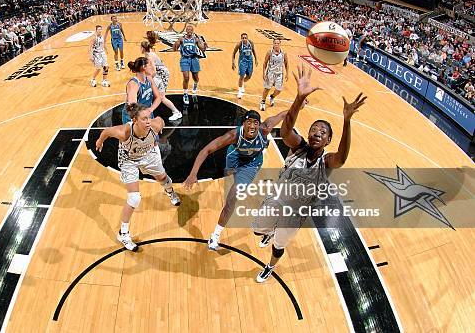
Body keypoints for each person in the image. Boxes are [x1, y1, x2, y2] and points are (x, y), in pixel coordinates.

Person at [252, 64, 366, 283]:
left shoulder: (327, 162)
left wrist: (347, 120)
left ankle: (270, 266)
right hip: (277, 199)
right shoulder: (298, 147)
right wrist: (298, 97)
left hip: (296, 213)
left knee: (278, 246)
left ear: (328, 140)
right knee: (257, 231)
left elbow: (341, 158)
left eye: (323, 132)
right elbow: (285, 130)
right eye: (314, 129)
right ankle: (268, 231)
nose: (317, 133)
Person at [184, 108, 293, 251]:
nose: (252, 126)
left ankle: (215, 235)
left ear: (259, 125)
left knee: (233, 197)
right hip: (234, 157)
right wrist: (193, 173)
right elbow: (206, 150)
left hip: (252, 164)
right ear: (243, 124)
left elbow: (283, 114)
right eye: (249, 122)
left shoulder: (265, 129)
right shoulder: (233, 135)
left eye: (255, 123)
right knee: (230, 177)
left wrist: (299, 101)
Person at [95, 103, 181, 251]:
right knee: (134, 198)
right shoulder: (124, 132)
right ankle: (123, 233)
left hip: (149, 155)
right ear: (135, 120)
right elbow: (107, 131)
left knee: (164, 179)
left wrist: (154, 140)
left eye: (149, 117)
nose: (148, 121)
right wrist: (99, 141)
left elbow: (160, 119)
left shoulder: (155, 126)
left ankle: (170, 192)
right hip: (129, 160)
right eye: (144, 119)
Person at [141, 31, 182, 121]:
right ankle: (148, 112)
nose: (140, 49)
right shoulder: (148, 53)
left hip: (161, 75)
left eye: (141, 47)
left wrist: (149, 78)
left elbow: (154, 71)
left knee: (161, 97)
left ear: (143, 48)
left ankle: (176, 112)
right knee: (154, 94)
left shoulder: (149, 56)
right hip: (160, 74)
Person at [173, 24, 207, 106]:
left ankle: (195, 85)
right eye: (187, 29)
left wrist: (205, 46)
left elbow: (202, 49)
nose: (189, 31)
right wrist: (176, 43)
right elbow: (174, 49)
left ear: (192, 31)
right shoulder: (181, 39)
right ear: (186, 30)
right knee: (186, 77)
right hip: (184, 59)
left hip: (194, 59)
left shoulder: (195, 39)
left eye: (190, 30)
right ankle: (185, 94)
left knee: (195, 77)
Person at [121, 56, 162, 124]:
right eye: (150, 65)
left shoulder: (149, 79)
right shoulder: (134, 84)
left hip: (146, 113)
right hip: (133, 116)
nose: (152, 68)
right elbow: (132, 107)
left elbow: (158, 97)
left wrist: (150, 109)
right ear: (144, 67)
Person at [261, 39, 288, 111]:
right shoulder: (269, 52)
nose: (276, 44)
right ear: (273, 44)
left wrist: (287, 73)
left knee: (278, 90)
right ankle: (263, 102)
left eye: (278, 43)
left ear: (280, 44)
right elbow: (265, 63)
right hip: (270, 73)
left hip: (279, 74)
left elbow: (286, 63)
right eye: (275, 43)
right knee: (267, 88)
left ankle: (272, 96)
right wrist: (263, 73)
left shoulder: (283, 53)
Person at [231, 33, 258, 99]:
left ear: (247, 38)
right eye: (243, 38)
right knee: (242, 75)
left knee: (249, 76)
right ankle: (240, 91)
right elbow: (234, 53)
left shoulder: (251, 43)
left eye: (245, 38)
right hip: (242, 61)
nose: (244, 39)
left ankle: (242, 82)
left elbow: (253, 51)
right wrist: (233, 62)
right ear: (241, 38)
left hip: (250, 61)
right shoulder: (239, 44)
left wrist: (256, 59)